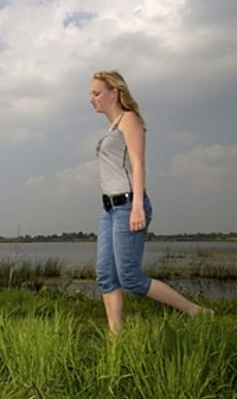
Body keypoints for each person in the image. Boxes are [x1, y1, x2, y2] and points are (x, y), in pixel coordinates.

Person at [89, 70, 210, 335]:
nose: (92, 98)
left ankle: (196, 312)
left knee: (130, 278)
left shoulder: (129, 120)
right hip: (108, 209)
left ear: (115, 92)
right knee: (106, 276)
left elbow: (138, 163)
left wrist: (137, 206)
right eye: (91, 94)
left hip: (127, 205)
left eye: (96, 93)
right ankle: (116, 338)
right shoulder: (111, 128)